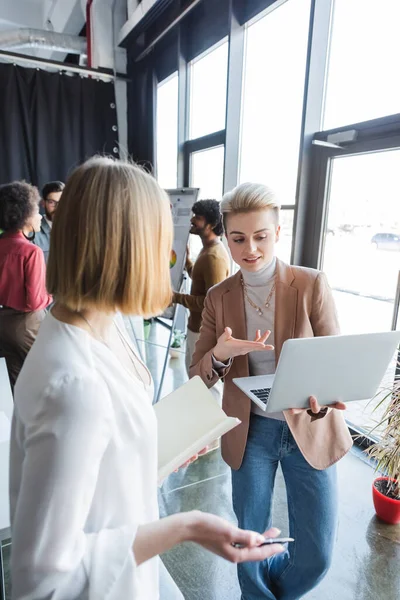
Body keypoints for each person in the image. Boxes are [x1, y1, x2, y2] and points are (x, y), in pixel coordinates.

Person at [9, 159, 284, 600]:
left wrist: (149, 450)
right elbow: (43, 582)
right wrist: (186, 527)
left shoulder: (101, 322)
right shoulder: (73, 386)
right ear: (127, 248)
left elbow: (101, 450)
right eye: (162, 240)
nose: (170, 254)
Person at [190, 183, 353, 600]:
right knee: (248, 541)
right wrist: (221, 355)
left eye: (261, 237)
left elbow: (335, 360)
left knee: (316, 556)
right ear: (226, 237)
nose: (251, 249)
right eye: (239, 238)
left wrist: (322, 396)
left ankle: (267, 592)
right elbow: (197, 376)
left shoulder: (311, 285)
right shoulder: (218, 297)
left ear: (278, 233)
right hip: (251, 431)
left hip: (307, 427)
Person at [0, 182, 51, 390]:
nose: (40, 216)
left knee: (16, 386)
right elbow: (35, 301)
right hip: (28, 325)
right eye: (37, 211)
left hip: (3, 324)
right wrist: (53, 292)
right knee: (47, 381)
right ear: (25, 217)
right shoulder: (31, 252)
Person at [173, 199, 230, 382]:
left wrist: (175, 297)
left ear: (211, 224)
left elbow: (209, 303)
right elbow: (201, 283)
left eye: (197, 217)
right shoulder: (207, 251)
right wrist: (188, 263)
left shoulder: (214, 257)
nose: (192, 220)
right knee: (194, 381)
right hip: (196, 328)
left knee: (202, 385)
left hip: (203, 333)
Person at [34, 180, 65, 262]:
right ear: (43, 203)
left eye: (62, 202)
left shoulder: (76, 230)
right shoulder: (33, 234)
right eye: (52, 202)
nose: (58, 208)